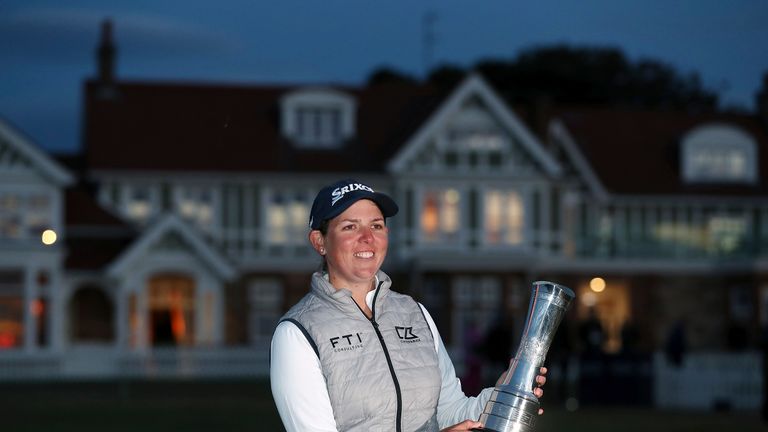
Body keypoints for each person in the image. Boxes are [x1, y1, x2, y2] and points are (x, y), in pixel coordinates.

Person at [270, 179, 547, 432]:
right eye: (350, 226)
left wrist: (503, 395)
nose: (367, 238)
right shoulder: (297, 333)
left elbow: (451, 413)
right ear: (320, 242)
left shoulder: (416, 314)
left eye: (376, 225)